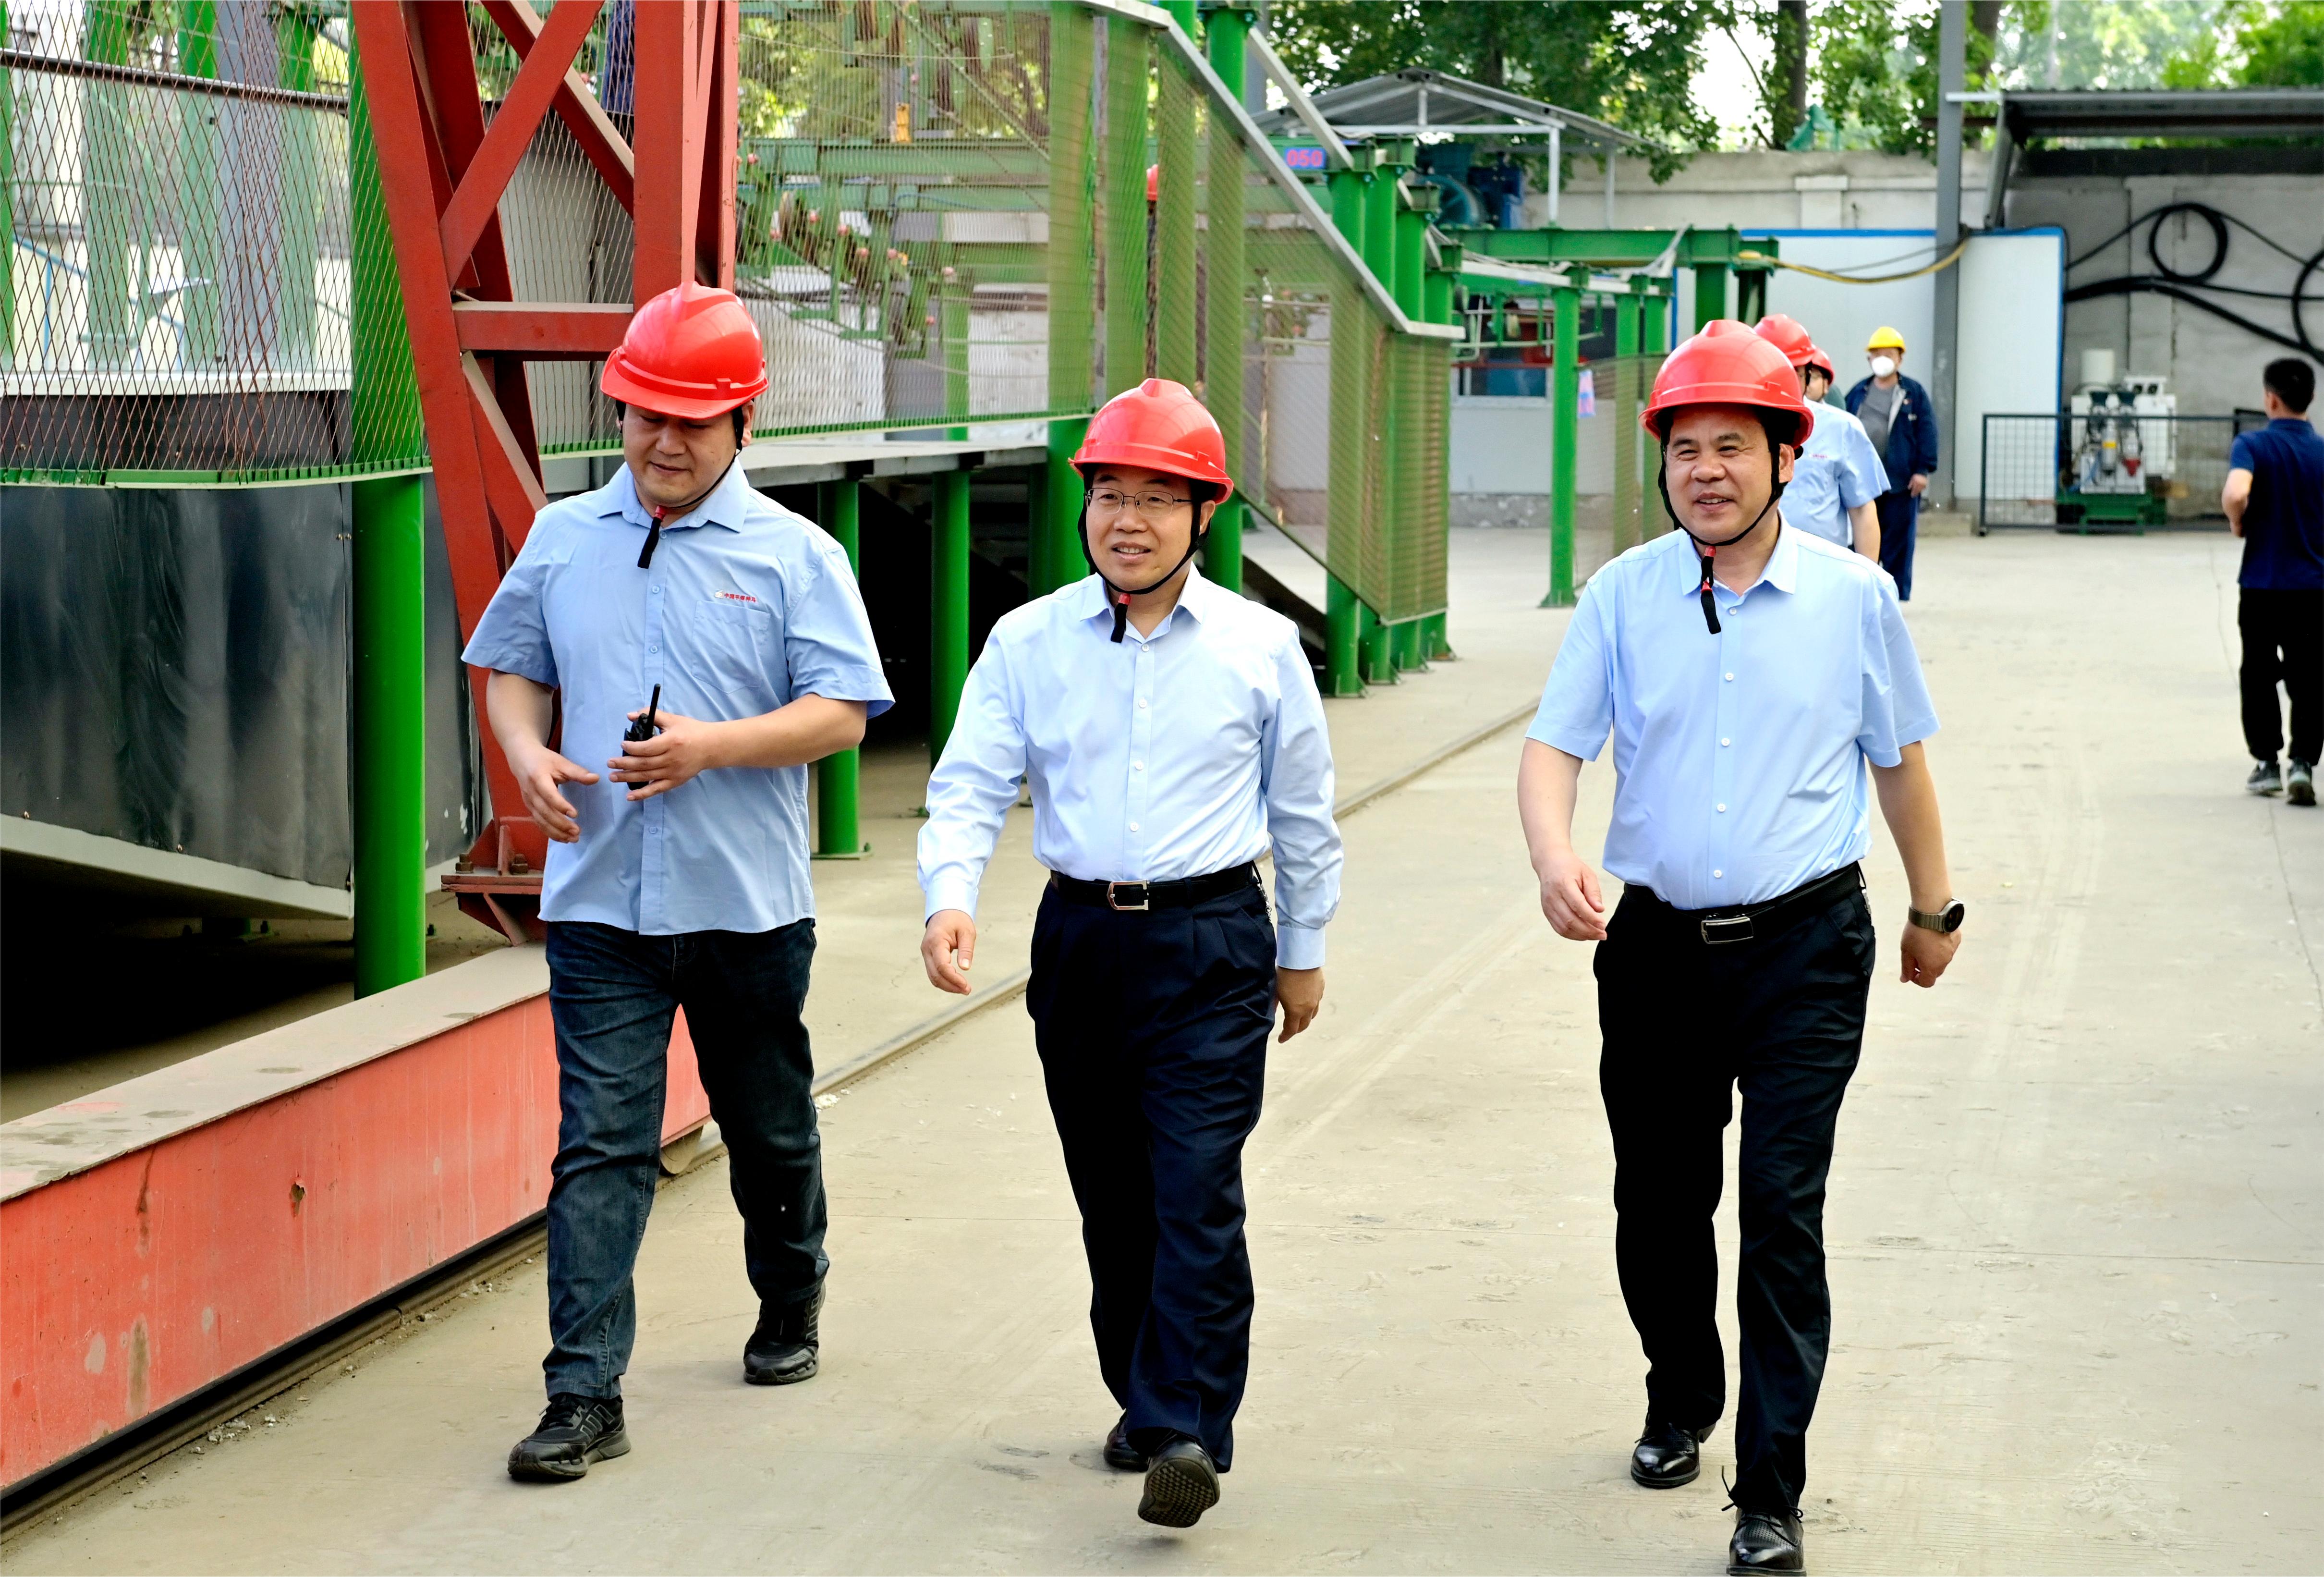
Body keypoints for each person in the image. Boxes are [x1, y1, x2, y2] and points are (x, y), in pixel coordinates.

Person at [1516, 320, 1964, 1576]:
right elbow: (1553, 746)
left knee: (1777, 1211)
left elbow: (1898, 759)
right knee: (1659, 1202)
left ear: (1785, 457)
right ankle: (1678, 1390)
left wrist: (1932, 907)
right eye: (1684, 448)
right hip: (1653, 951)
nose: (1704, 470)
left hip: (1804, 948)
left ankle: (1767, 1489)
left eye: (1731, 445)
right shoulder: (1621, 595)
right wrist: (1553, 853)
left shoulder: (1851, 600)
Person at [464, 283, 894, 1481]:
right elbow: (510, 669)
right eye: (643, 414)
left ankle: (792, 1287)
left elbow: (842, 714)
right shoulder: (563, 537)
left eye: (691, 421)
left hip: (744, 906)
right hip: (600, 901)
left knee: (767, 1127)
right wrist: (527, 751)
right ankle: (582, 1393)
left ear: (744, 423)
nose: (662, 440)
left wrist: (711, 747)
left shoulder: (795, 555)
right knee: (600, 1143)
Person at [916, 379, 1341, 1530]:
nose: (1129, 520)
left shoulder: (1260, 647)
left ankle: (1183, 1425)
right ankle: (1147, 1394)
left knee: (1195, 1187)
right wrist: (950, 898)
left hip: (1213, 940)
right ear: (1085, 507)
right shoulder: (1028, 641)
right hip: (1082, 942)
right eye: (1110, 494)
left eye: (1159, 498)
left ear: (1204, 514)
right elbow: (969, 784)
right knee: (1114, 1199)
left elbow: (1303, 814)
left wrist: (1302, 951)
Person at [2223, 356, 2323, 806]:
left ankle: (2266, 765)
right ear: (2310, 398)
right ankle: (2302, 762)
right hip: (2313, 587)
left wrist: (2236, 521)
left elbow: (2235, 492)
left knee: (2258, 674)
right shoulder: (2321, 451)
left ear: (2270, 399)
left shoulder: (2252, 445)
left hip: (2261, 585)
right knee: (2310, 677)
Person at [1755, 315, 1884, 562]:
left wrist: (1869, 576)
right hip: (1753, 570)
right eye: (1772, 371)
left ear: (1808, 374)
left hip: (1825, 569)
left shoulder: (1842, 428)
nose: (1781, 381)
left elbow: (1862, 511)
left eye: (1792, 372)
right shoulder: (1734, 431)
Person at [1845, 327, 1940, 600]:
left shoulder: (1913, 393)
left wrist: (1922, 470)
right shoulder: (1858, 393)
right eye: (1877, 355)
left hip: (1900, 482)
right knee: (1859, 540)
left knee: (1898, 543)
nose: (1882, 360)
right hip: (1862, 483)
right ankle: (1862, 595)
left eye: (1889, 354)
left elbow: (1928, 431)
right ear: (1869, 359)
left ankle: (1894, 598)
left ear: (1900, 358)